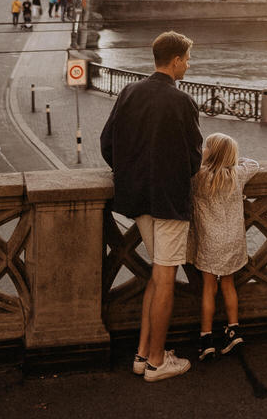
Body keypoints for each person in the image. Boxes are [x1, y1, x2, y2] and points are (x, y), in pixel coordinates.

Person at [99, 31, 203, 383]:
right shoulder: (183, 102)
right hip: (169, 202)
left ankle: (142, 354)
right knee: (166, 278)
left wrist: (130, 173)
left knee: (158, 276)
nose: (188, 65)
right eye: (187, 59)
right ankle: (158, 362)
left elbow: (107, 143)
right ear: (175, 61)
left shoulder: (129, 92)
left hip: (137, 198)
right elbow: (194, 160)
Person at [190, 132, 259, 360]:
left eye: (206, 147)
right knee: (229, 285)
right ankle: (233, 330)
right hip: (233, 241)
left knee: (209, 288)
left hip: (209, 242)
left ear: (210, 153)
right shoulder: (237, 175)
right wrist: (234, 162)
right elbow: (253, 164)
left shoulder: (199, 177)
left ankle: (206, 337)